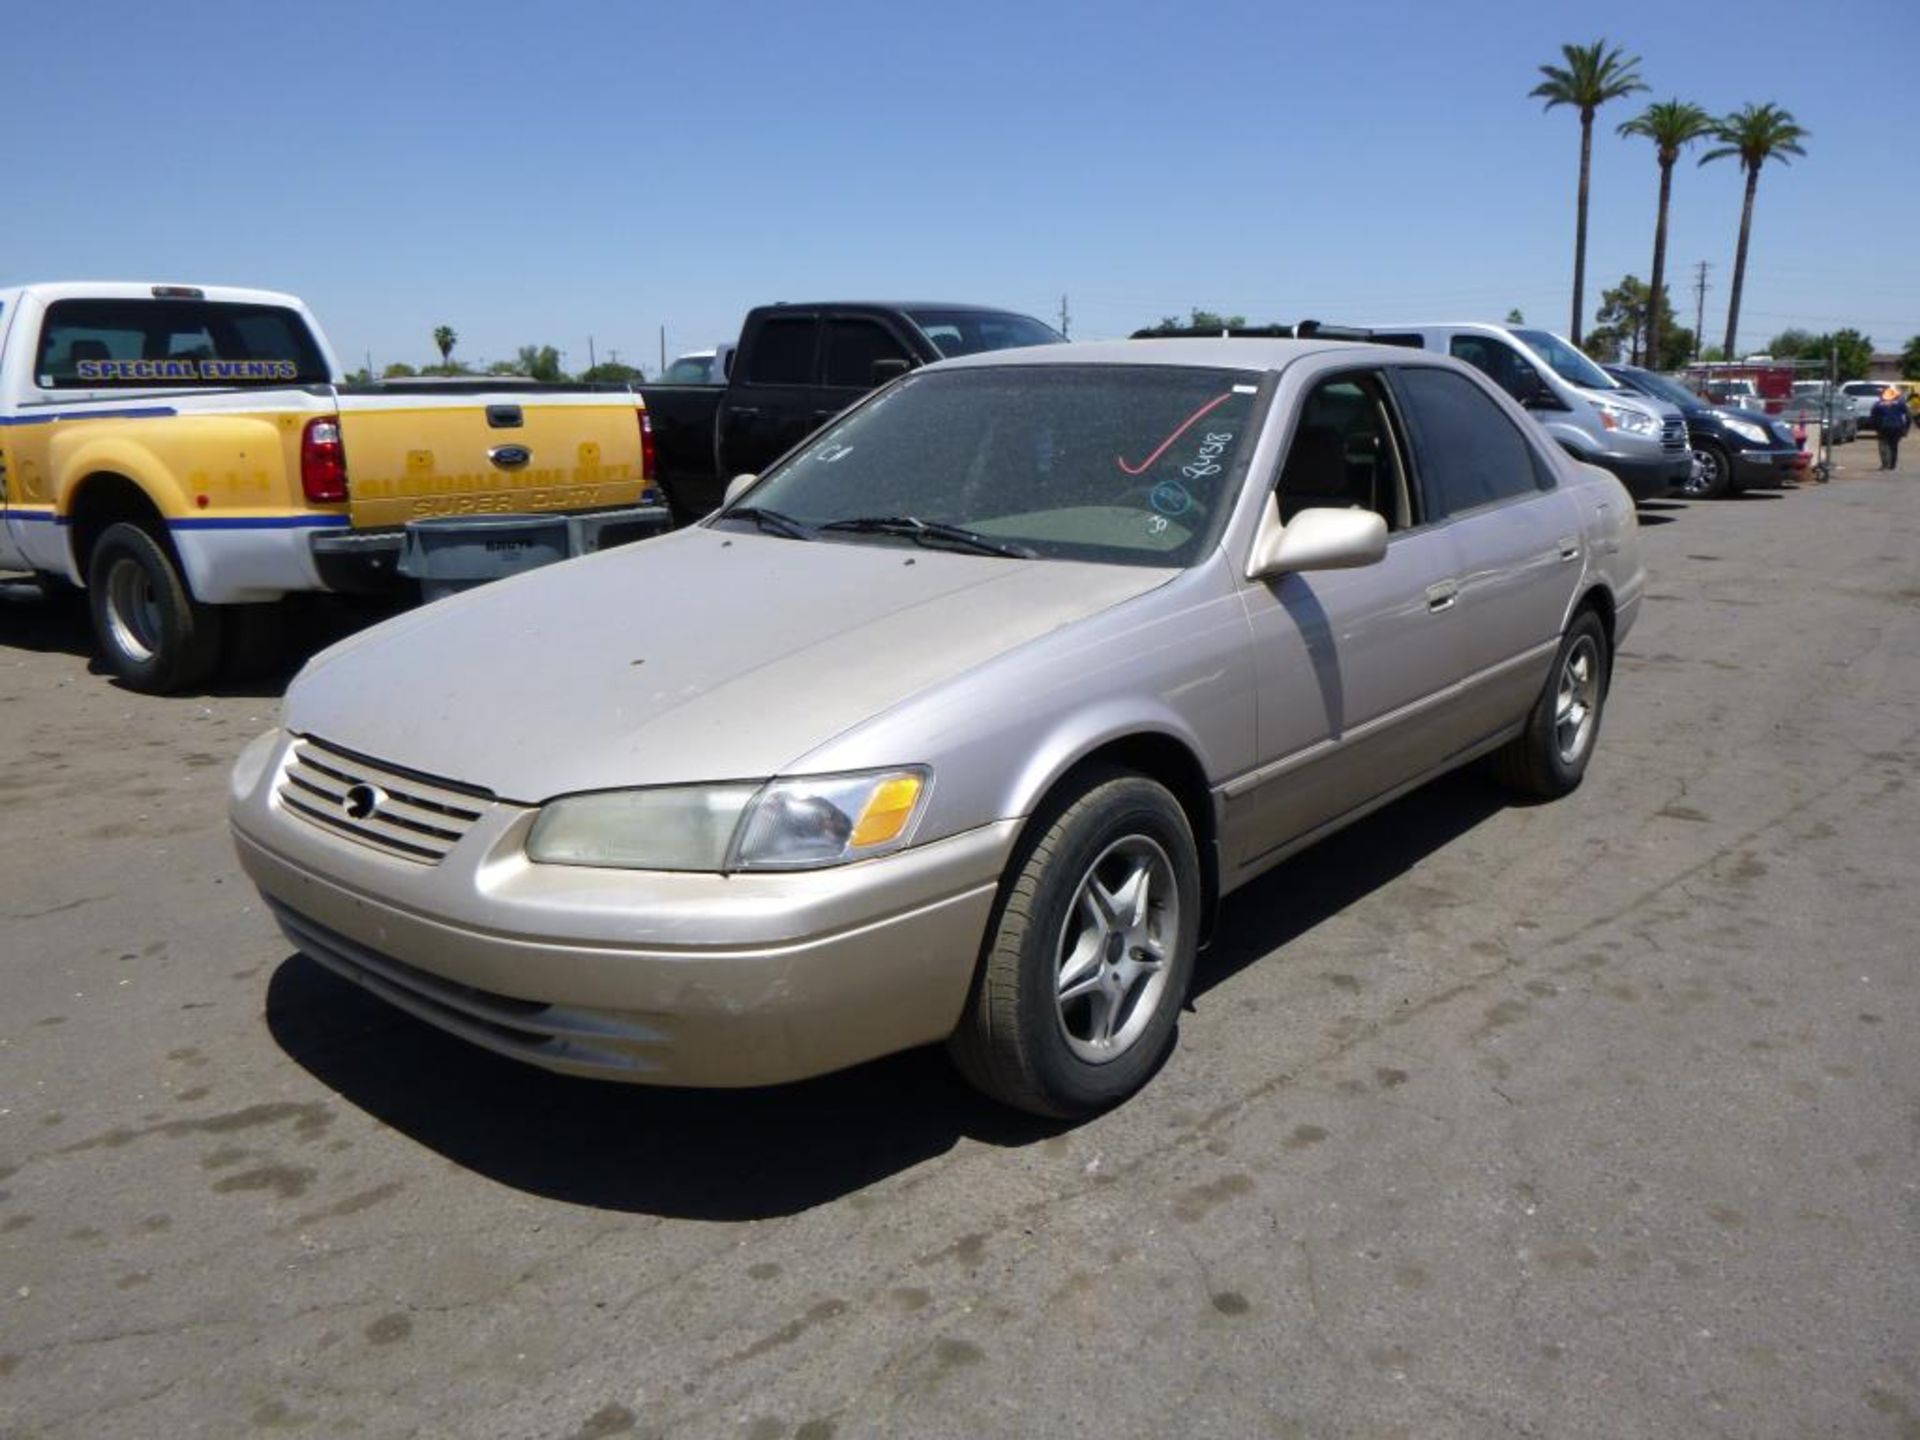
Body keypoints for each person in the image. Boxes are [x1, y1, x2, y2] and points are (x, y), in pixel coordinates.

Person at [1869, 387, 1911, 470]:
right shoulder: (1900, 404)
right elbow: (1908, 417)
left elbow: (1873, 418)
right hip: (1897, 427)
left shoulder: (1878, 404)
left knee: (1883, 445)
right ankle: (1892, 465)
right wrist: (1906, 429)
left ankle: (1885, 464)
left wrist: (1876, 428)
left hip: (1883, 428)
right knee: (1894, 446)